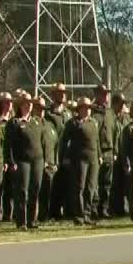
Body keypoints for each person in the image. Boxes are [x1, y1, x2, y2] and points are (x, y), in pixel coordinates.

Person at [6, 92, 45, 230]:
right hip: (22, 160)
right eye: (26, 103)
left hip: (37, 160)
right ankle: (21, 221)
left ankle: (32, 220)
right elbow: (8, 144)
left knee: (35, 189)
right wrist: (11, 161)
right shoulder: (14, 122)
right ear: (20, 105)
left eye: (30, 104)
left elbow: (43, 141)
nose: (28, 106)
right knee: (22, 191)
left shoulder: (37, 121)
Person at [61, 96, 100, 226]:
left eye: (89, 108)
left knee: (90, 187)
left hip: (93, 158)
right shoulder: (73, 123)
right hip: (79, 159)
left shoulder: (93, 122)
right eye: (85, 108)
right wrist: (65, 156)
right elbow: (65, 141)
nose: (88, 110)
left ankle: (87, 214)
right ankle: (78, 215)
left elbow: (97, 141)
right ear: (79, 109)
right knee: (80, 187)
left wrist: (99, 155)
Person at [46, 84, 71, 221]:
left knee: (65, 184)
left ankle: (65, 211)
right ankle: (52, 212)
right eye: (59, 92)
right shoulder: (48, 113)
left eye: (64, 92)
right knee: (52, 184)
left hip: (66, 153)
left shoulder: (68, 113)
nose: (62, 95)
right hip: (52, 152)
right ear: (53, 94)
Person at [34, 97, 60, 223]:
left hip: (51, 163)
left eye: (43, 109)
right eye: (39, 108)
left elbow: (56, 144)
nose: (41, 111)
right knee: (37, 191)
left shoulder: (50, 125)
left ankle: (46, 215)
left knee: (49, 191)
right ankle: (36, 216)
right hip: (38, 163)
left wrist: (55, 161)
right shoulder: (32, 124)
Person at [0, 90, 15, 223]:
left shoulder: (14, 120)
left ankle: (9, 214)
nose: (9, 105)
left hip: (11, 158)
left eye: (10, 102)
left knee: (11, 189)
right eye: (6, 102)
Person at [107, 92, 129, 217]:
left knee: (124, 182)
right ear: (114, 103)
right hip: (112, 154)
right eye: (120, 104)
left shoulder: (125, 118)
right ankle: (112, 207)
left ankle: (122, 208)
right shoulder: (109, 116)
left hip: (124, 154)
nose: (122, 106)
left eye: (123, 104)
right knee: (112, 182)